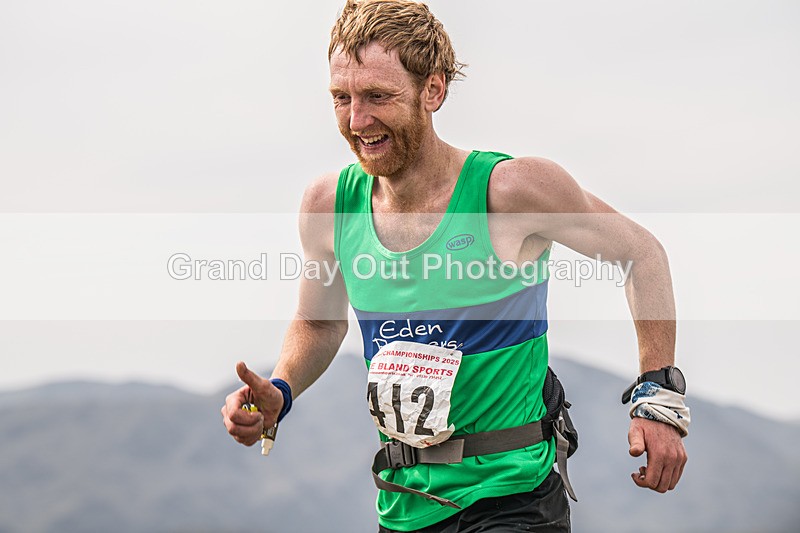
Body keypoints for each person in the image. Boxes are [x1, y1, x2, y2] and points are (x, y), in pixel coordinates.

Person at [221, 1, 689, 531]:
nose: (357, 121)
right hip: (405, 504)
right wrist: (280, 391)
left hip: (514, 499)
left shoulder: (509, 191)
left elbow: (640, 253)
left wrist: (658, 396)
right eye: (341, 99)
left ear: (433, 90)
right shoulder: (330, 205)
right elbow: (320, 323)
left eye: (378, 96)